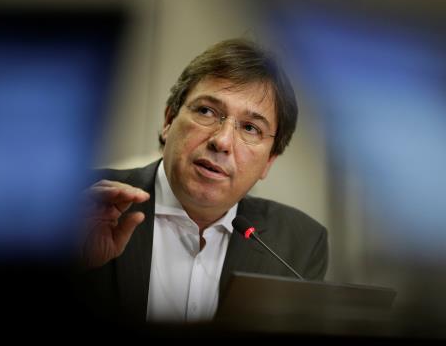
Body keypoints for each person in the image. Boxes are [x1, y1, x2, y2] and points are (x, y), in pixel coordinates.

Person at [78, 38, 328, 324]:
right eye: (206, 111)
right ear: (169, 120)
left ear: (269, 160)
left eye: (250, 127)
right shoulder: (79, 204)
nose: (221, 141)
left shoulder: (299, 243)